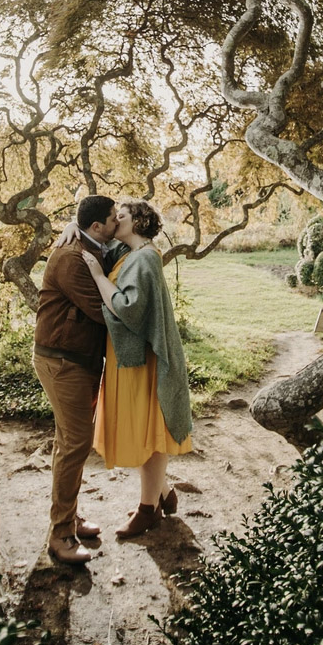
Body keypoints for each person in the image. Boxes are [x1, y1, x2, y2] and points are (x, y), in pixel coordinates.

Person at [79, 199, 193, 539]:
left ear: (138, 222)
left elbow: (128, 308)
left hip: (144, 361)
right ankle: (162, 493)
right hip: (130, 359)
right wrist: (75, 226)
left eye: (122, 216)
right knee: (146, 427)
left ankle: (148, 510)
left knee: (150, 431)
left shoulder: (144, 259)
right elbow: (99, 239)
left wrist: (98, 276)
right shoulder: (128, 253)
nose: (116, 220)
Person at [33, 194, 127, 565]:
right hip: (63, 361)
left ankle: (68, 516)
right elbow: (104, 312)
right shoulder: (72, 258)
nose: (118, 224)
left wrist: (73, 224)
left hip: (79, 360)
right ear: (96, 227)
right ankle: (60, 535)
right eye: (112, 220)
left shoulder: (92, 243)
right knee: (76, 443)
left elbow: (127, 240)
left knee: (68, 442)